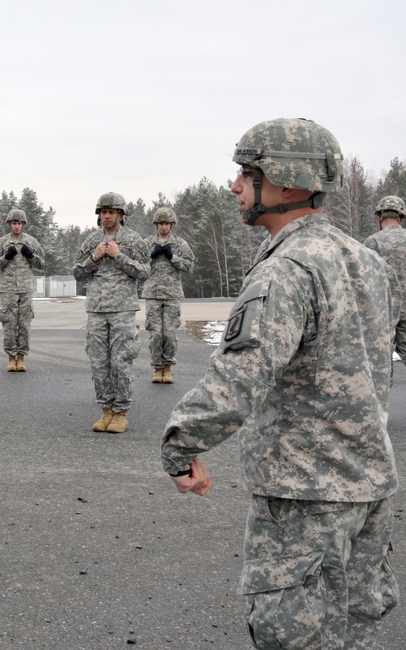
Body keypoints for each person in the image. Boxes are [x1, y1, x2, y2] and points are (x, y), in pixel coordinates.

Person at [161, 118, 399, 648]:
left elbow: (239, 378)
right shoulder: (368, 262)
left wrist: (179, 448)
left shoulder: (285, 270)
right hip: (367, 489)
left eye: (248, 173)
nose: (235, 186)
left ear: (288, 183)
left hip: (305, 501)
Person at [72, 193, 149, 433]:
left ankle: (121, 412)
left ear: (120, 215)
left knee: (120, 361)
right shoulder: (91, 241)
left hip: (122, 309)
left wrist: (119, 256)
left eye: (111, 212)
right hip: (96, 309)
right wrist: (94, 257)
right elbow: (77, 272)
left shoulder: (134, 240)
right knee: (99, 362)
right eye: (103, 212)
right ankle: (106, 410)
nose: (107, 216)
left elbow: (145, 272)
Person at [141, 207, 194, 384]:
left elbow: (189, 266)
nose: (164, 227)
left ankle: (168, 367)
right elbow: (136, 265)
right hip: (153, 294)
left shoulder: (180, 244)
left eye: (167, 223)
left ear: (172, 224)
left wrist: (173, 257)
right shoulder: (147, 243)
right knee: (156, 334)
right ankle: (157, 368)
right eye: (161, 223)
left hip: (172, 294)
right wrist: (152, 256)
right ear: (156, 224)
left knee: (169, 334)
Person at [0, 209, 45, 372]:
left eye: (19, 223)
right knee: (9, 324)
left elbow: (42, 264)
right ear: (9, 224)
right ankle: (11, 358)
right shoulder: (1, 243)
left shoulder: (31, 242)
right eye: (14, 223)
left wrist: (31, 256)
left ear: (24, 225)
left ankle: (21, 357)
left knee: (24, 324)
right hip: (8, 289)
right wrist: (5, 258)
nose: (17, 227)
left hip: (26, 288)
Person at [364, 195, 406, 366]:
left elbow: (365, 281)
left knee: (381, 364)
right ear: (401, 217)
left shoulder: (372, 242)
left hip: (383, 312)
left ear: (379, 216)